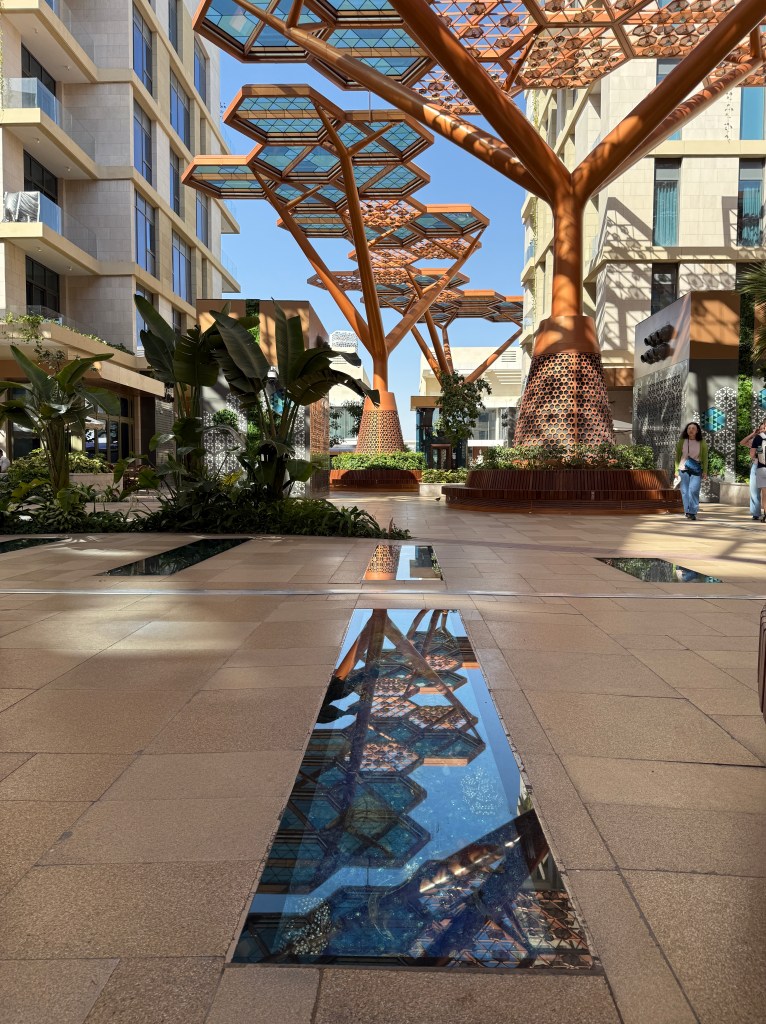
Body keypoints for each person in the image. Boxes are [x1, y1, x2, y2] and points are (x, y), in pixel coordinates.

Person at [675, 422, 708, 521]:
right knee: (685, 491)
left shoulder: (702, 442)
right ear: (687, 430)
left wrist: (705, 471)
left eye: (693, 428)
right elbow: (677, 456)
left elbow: (705, 458)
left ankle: (693, 512)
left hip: (696, 468)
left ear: (697, 431)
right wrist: (676, 470)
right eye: (689, 428)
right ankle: (687, 511)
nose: (691, 430)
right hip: (683, 468)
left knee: (694, 490)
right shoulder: (682, 441)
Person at [740, 420, 766, 520]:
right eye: (760, 429)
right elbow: (742, 442)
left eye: (763, 428)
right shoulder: (755, 440)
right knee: (755, 491)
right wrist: (753, 434)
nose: (762, 430)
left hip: (760, 467)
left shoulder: (759, 440)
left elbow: (752, 454)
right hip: (756, 467)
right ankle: (756, 513)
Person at [751, 425, 766, 523]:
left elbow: (752, 454)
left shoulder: (759, 438)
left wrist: (758, 455)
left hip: (762, 468)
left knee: (765, 494)